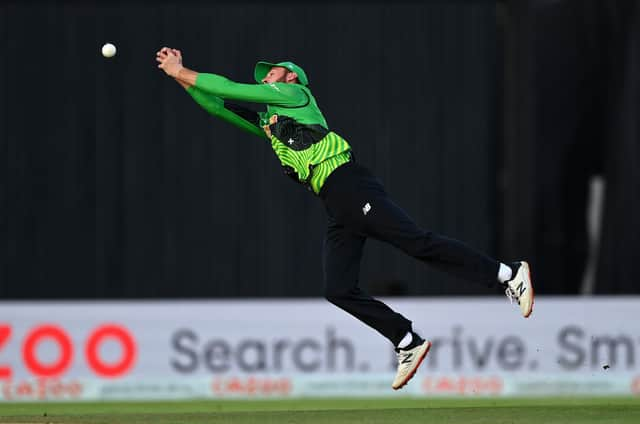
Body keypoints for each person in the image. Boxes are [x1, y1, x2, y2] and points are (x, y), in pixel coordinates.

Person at [155, 47, 534, 390]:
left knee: (417, 242)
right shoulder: (272, 125)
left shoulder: (294, 95)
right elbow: (219, 105)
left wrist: (183, 69)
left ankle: (506, 273)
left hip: (349, 183)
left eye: (272, 72)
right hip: (336, 203)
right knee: (337, 288)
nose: (266, 76)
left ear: (291, 77)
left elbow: (231, 89)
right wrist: (180, 78)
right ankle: (407, 340)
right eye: (266, 74)